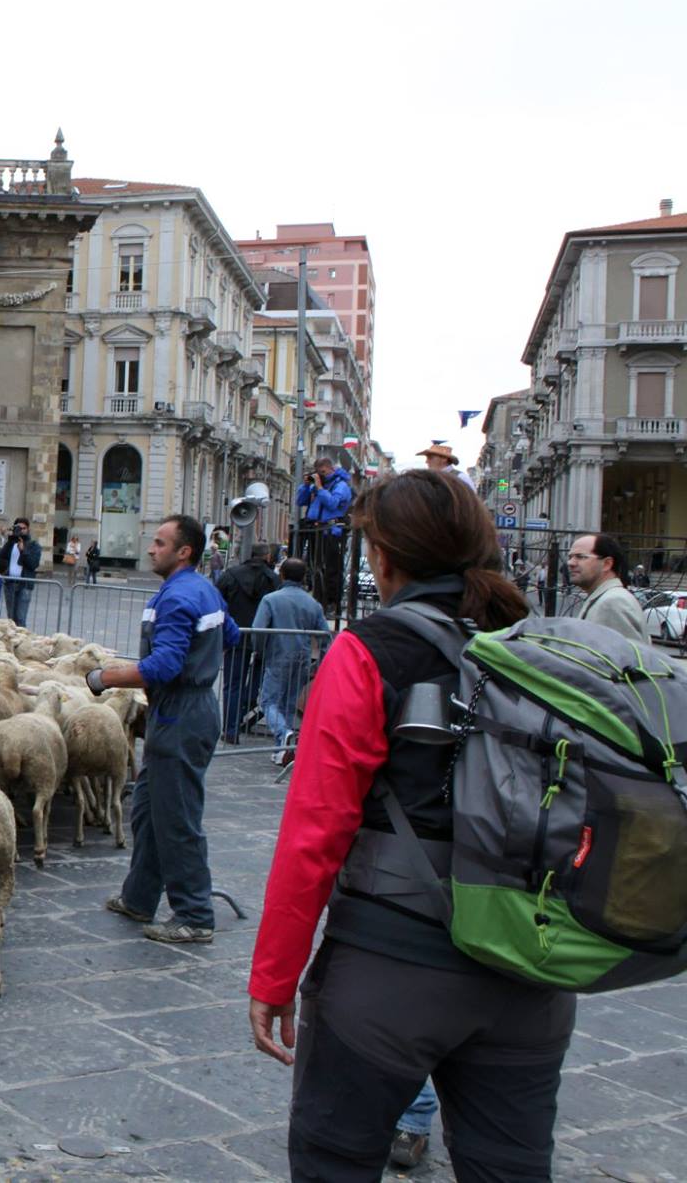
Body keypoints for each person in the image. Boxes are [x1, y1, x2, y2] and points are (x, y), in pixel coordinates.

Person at [246, 468, 570, 1182]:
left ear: (386, 557)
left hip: (391, 967)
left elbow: (315, 832)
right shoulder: (540, 651)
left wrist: (275, 973)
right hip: (531, 970)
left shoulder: (368, 651)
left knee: (334, 1162)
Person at [88, 514, 237, 944]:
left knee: (177, 818)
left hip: (181, 713)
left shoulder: (176, 597)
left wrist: (105, 678)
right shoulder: (202, 589)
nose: (151, 548)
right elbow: (230, 634)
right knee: (150, 809)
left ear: (183, 551)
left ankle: (194, 915)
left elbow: (165, 665)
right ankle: (140, 897)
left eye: (159, 542)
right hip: (187, 709)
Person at [248, 556, 327, 756]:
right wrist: (320, 662)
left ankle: (283, 734)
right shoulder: (313, 604)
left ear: (281, 575)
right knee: (289, 704)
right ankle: (281, 750)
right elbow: (326, 637)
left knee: (268, 701)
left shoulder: (271, 599)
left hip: (277, 654)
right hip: (302, 657)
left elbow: (258, 630)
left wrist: (259, 650)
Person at [215, 545, 282, 743]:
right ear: (267, 556)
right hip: (263, 638)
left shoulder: (231, 575)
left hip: (235, 635)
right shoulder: (273, 579)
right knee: (255, 682)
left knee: (232, 684)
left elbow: (217, 600)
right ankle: (242, 709)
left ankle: (230, 728)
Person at [566, 532, 649, 646]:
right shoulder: (603, 597)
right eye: (570, 557)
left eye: (580, 557)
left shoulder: (613, 602)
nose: (570, 563)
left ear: (607, 564)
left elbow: (623, 660)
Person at [296, 458, 354, 613]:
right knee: (315, 568)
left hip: (332, 532)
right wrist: (306, 486)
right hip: (315, 530)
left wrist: (320, 488)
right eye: (318, 472)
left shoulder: (340, 485)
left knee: (331, 569)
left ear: (330, 469)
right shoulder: (316, 485)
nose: (320, 475)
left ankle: (331, 603)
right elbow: (300, 501)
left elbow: (333, 503)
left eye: (322, 472)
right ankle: (317, 598)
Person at [0, 518, 42, 626]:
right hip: (10, 584)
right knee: (11, 619)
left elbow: (33, 564)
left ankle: (22, 641)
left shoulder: (34, 545)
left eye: (23, 528)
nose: (21, 531)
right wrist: (9, 541)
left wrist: (23, 551)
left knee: (21, 618)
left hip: (24, 585)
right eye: (18, 528)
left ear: (28, 529)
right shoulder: (11, 543)